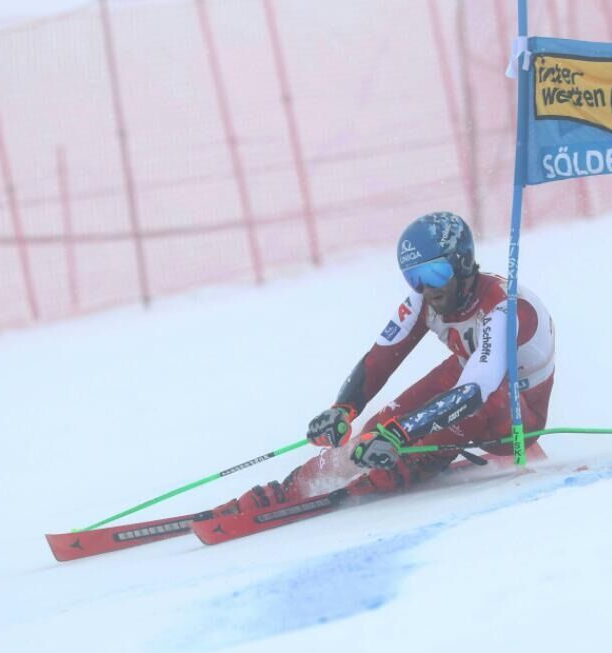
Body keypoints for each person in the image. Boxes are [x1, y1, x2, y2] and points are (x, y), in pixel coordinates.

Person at [227, 211, 556, 513]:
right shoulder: (424, 299)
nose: (427, 288)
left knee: (414, 429)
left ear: (463, 262)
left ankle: (384, 476)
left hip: (514, 417)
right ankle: (301, 484)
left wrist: (402, 434)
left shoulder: (502, 308)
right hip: (470, 377)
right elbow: (380, 359)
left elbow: (477, 390)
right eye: (414, 277)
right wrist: (343, 409)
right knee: (373, 433)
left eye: (435, 272)